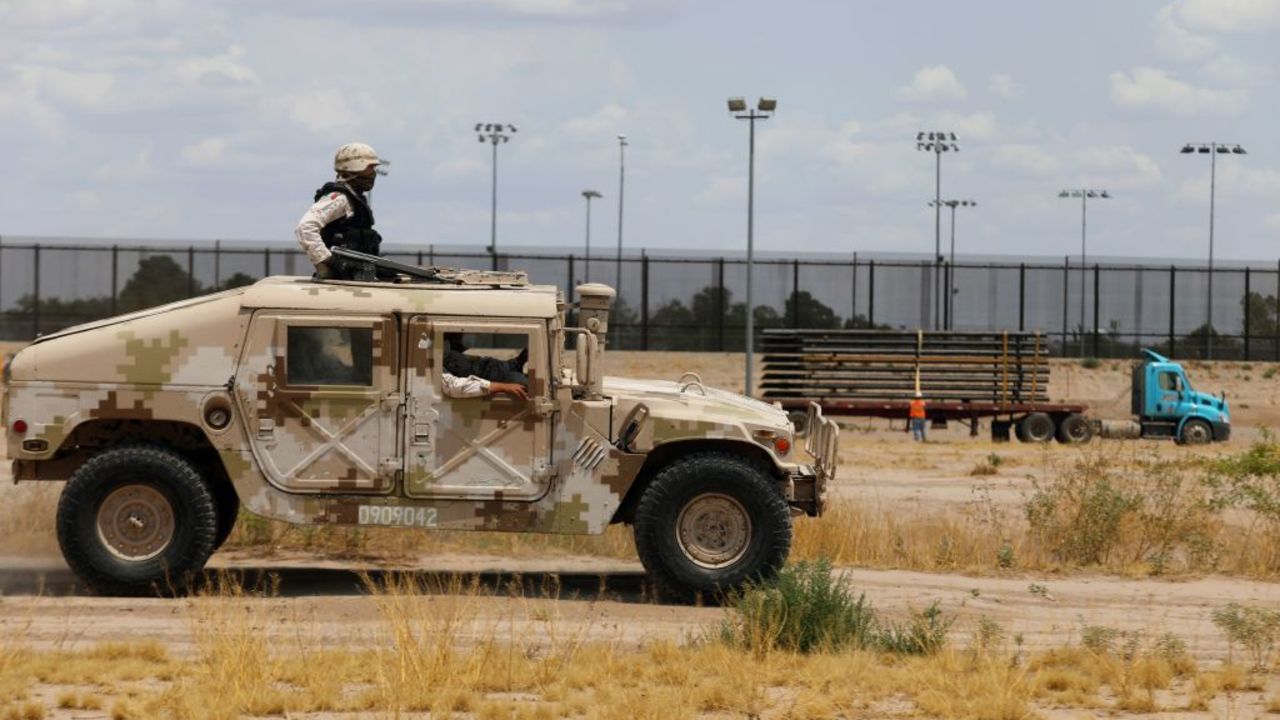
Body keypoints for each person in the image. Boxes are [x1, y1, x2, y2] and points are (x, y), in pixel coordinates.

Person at [295, 142, 387, 280]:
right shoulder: (339, 198)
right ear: (354, 169)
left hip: (357, 276)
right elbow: (305, 228)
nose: (373, 174)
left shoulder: (355, 198)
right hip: (342, 280)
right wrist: (328, 260)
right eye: (370, 168)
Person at [440, 332, 529, 400]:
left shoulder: (445, 348)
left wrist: (517, 362)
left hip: (495, 370)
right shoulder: (432, 357)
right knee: (530, 386)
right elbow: (453, 386)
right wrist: (503, 387)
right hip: (493, 380)